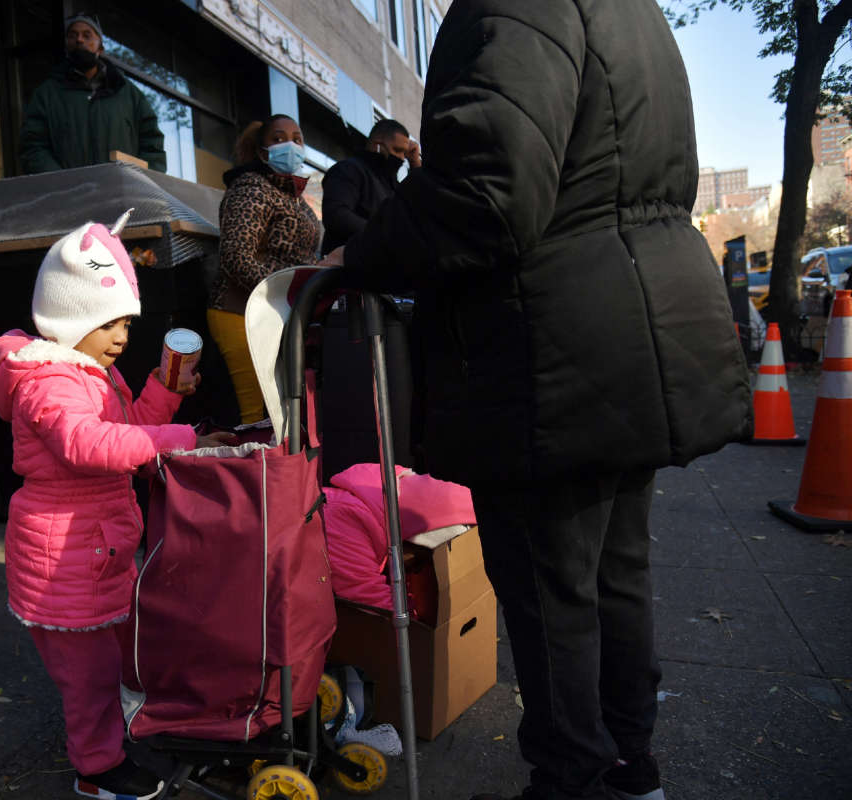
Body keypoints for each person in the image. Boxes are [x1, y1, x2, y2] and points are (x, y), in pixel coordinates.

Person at [322, 2, 752, 799]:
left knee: (553, 592)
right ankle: (627, 766)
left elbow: (488, 187)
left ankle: (571, 779)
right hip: (625, 327)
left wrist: (358, 254)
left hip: (552, 342)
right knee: (614, 571)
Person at [0, 215, 233, 800]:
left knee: (108, 658)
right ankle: (96, 770)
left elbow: (130, 434)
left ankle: (109, 738)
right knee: (89, 676)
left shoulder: (92, 373)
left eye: (124, 322)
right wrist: (185, 439)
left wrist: (166, 392)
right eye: (109, 322)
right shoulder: (50, 382)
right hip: (65, 556)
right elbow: (89, 445)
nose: (121, 336)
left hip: (94, 549)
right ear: (70, 318)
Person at [208, 114, 322, 423]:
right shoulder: (251, 188)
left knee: (279, 414)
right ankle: (256, 472)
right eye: (279, 138)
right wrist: (287, 291)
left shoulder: (292, 195)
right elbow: (235, 256)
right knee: (256, 416)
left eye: (297, 139)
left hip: (273, 313)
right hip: (240, 312)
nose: (291, 145)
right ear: (262, 152)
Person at [20, 13, 166, 174]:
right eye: (72, 36)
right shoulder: (47, 95)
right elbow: (32, 147)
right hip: (67, 196)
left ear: (100, 48)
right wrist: (60, 181)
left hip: (121, 195)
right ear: (67, 45)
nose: (79, 40)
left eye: (87, 35)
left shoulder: (128, 94)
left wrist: (143, 186)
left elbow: (153, 146)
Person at [321, 118, 421, 254]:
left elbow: (418, 204)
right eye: (397, 150)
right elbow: (336, 215)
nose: (402, 158)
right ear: (377, 145)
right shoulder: (349, 170)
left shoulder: (391, 184)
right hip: (348, 266)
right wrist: (384, 233)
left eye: (404, 153)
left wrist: (415, 162)